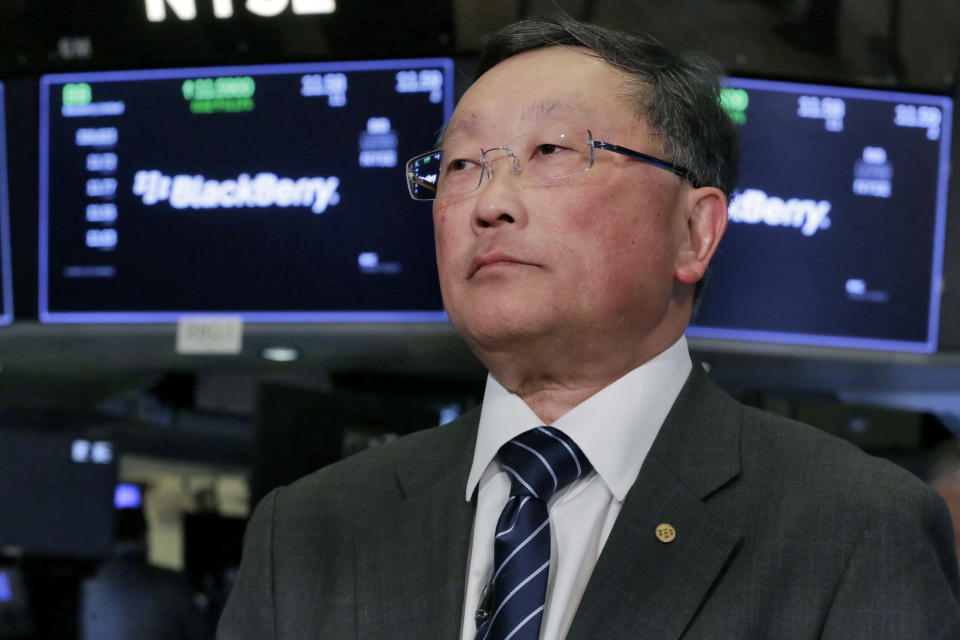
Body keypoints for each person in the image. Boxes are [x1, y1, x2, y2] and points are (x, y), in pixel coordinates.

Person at [217, 18, 960, 639]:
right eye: (459, 165)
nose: (489, 203)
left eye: (550, 152)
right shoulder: (311, 530)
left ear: (694, 233)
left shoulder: (851, 525)